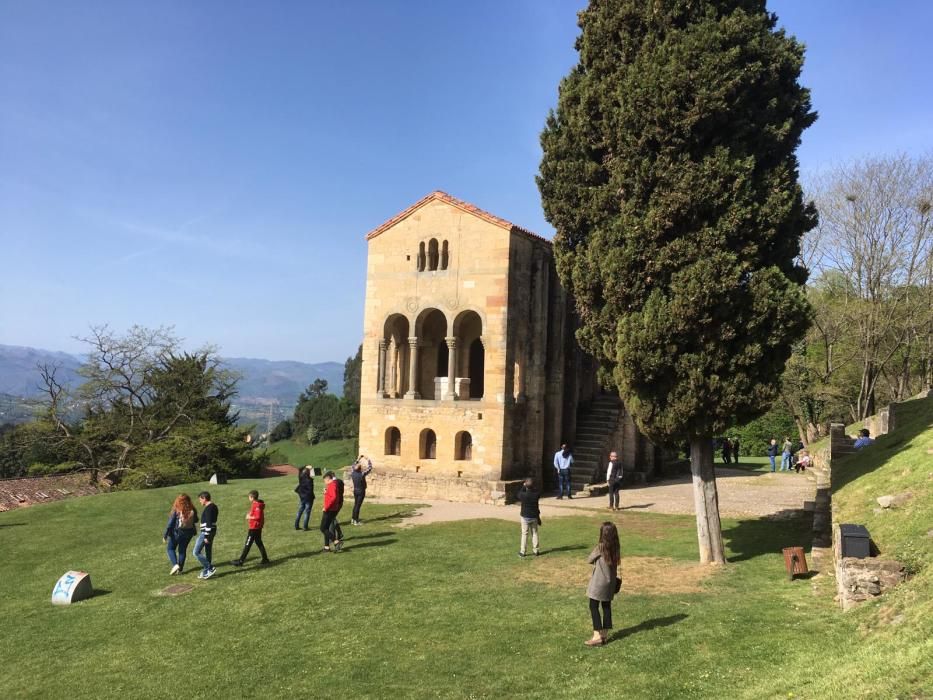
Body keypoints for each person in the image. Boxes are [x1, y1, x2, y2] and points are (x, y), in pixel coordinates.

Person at [584, 521, 621, 647]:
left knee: (593, 606)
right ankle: (604, 635)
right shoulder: (616, 547)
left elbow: (589, 559)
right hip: (610, 583)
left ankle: (596, 636)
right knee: (606, 607)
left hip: (599, 583)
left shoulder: (600, 547)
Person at [162, 493, 198, 575]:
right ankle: (180, 569)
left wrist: (165, 535)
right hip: (189, 533)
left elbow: (170, 524)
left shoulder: (177, 510)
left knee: (170, 549)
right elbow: (196, 520)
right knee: (182, 551)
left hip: (177, 533)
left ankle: (175, 565)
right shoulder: (192, 509)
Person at [232, 490, 269, 566]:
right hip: (256, 527)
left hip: (254, 528)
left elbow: (258, 517)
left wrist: (250, 517)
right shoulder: (255, 504)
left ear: (252, 497)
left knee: (247, 544)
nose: (248, 498)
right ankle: (265, 559)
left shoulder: (257, 505)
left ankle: (241, 561)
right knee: (259, 542)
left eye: (249, 497)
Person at [194, 491, 218, 580]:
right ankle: (206, 571)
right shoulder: (213, 506)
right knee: (208, 552)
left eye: (200, 499)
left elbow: (208, 522)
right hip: (211, 531)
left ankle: (210, 568)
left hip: (206, 532)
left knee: (196, 552)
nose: (200, 502)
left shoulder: (209, 508)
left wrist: (207, 536)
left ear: (204, 498)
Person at [320, 471, 344, 552]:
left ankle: (336, 542)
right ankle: (326, 547)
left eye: (325, 481)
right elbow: (331, 496)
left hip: (329, 510)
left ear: (328, 479)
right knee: (326, 528)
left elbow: (333, 497)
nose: (325, 483)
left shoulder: (332, 485)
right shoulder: (332, 485)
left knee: (322, 528)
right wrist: (326, 493)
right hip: (331, 509)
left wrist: (326, 507)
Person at [516, 478, 540, 557]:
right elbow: (536, 490)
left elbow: (518, 494)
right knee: (534, 533)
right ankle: (536, 550)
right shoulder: (536, 494)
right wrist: (531, 486)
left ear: (526, 485)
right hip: (534, 516)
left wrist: (524, 486)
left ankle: (523, 552)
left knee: (524, 534)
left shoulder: (523, 495)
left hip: (525, 516)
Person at [349, 455, 373, 525]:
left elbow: (353, 465)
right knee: (358, 506)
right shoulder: (361, 474)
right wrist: (368, 459)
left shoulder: (353, 473)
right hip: (361, 491)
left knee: (355, 505)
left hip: (355, 490)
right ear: (360, 469)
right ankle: (356, 520)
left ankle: (353, 519)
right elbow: (370, 467)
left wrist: (358, 459)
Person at [295, 466, 315, 531]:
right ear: (308, 473)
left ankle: (296, 525)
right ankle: (305, 527)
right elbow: (310, 491)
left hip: (302, 497)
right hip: (308, 498)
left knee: (300, 511)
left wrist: (306, 466)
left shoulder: (301, 477)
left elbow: (300, 469)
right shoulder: (310, 480)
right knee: (307, 512)